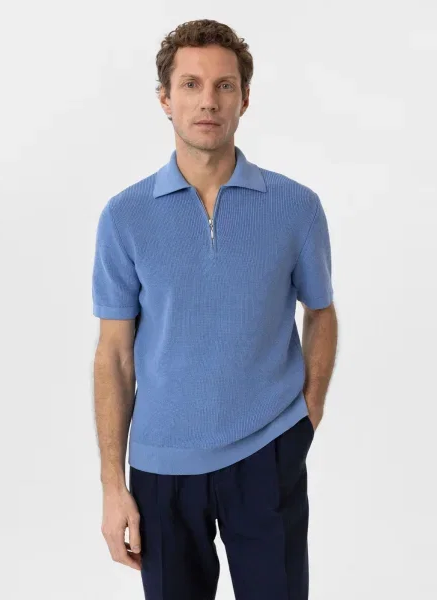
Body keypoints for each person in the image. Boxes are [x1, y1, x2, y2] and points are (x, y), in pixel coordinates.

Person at [92, 18, 338, 600]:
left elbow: (321, 313)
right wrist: (112, 484)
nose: (208, 101)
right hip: (161, 470)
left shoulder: (296, 207)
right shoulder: (124, 217)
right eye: (191, 84)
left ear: (244, 99)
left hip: (267, 453)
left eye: (225, 85)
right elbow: (115, 356)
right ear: (165, 99)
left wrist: (307, 414)